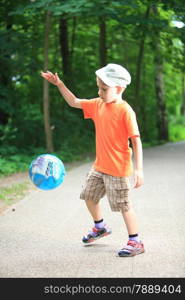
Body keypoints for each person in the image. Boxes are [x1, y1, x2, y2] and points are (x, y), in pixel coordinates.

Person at [41, 63, 145, 257]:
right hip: (100, 166)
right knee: (89, 196)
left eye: (104, 89)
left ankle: (136, 241)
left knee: (123, 205)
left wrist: (139, 170)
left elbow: (136, 141)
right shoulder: (98, 104)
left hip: (118, 169)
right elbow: (73, 102)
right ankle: (100, 227)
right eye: (98, 87)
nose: (100, 92)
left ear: (119, 88)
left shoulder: (125, 111)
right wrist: (59, 84)